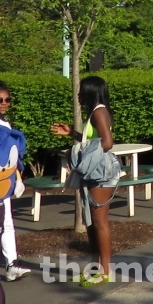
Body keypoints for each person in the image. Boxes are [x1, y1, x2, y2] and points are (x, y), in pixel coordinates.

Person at [51, 77, 119, 286]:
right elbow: (93, 141)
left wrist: (81, 155)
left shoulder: (99, 112)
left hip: (100, 173)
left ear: (90, 91)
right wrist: (72, 133)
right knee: (91, 223)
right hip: (94, 173)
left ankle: (105, 271)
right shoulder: (97, 112)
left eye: (81, 91)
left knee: (99, 222)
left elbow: (106, 143)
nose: (78, 94)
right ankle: (96, 268)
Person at [0, 84, 27, 281]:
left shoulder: (5, 122)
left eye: (7, 99)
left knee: (7, 222)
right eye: (0, 100)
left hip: (4, 183)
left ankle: (11, 264)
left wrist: (17, 176)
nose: (4, 103)